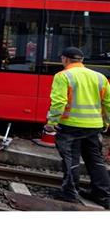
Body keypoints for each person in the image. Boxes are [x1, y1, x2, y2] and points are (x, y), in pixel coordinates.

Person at [44, 46, 110, 209]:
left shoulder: (63, 76)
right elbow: (107, 103)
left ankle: (70, 193)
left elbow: (59, 102)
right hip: (94, 126)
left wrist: (51, 122)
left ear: (65, 59)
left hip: (70, 126)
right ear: (81, 61)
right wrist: (106, 122)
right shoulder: (100, 77)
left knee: (71, 158)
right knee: (95, 160)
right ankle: (103, 195)